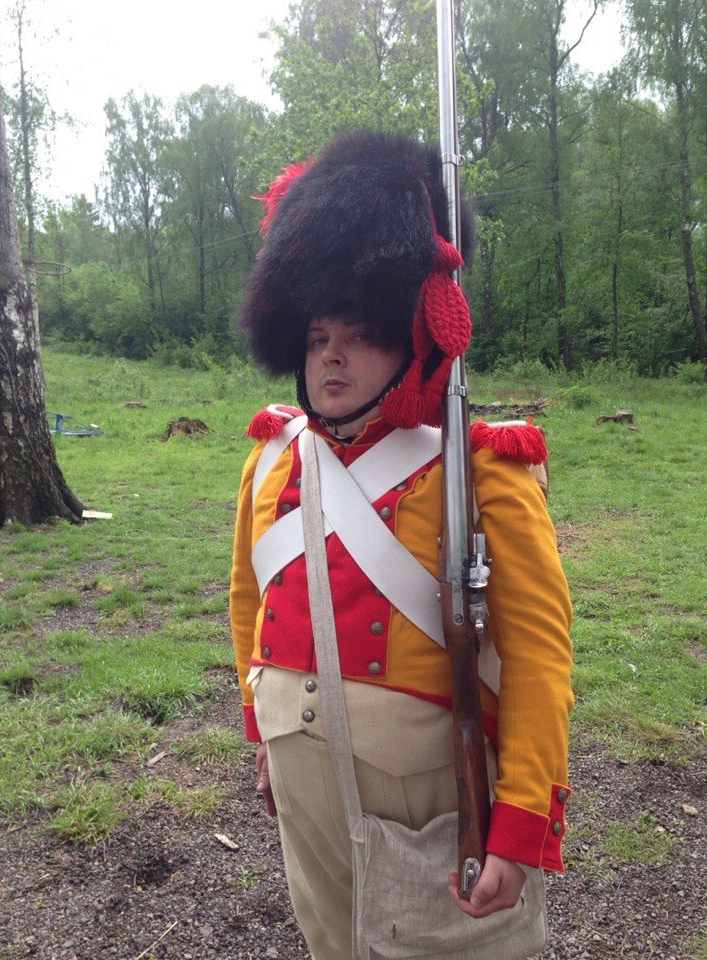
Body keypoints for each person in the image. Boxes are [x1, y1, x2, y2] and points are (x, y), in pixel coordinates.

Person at [230, 131, 573, 960]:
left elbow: (537, 653)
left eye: (361, 334)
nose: (332, 355)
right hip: (303, 785)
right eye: (317, 336)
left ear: (410, 338)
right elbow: (250, 602)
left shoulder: (480, 469)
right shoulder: (273, 459)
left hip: (427, 800)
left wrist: (521, 819)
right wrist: (262, 735)